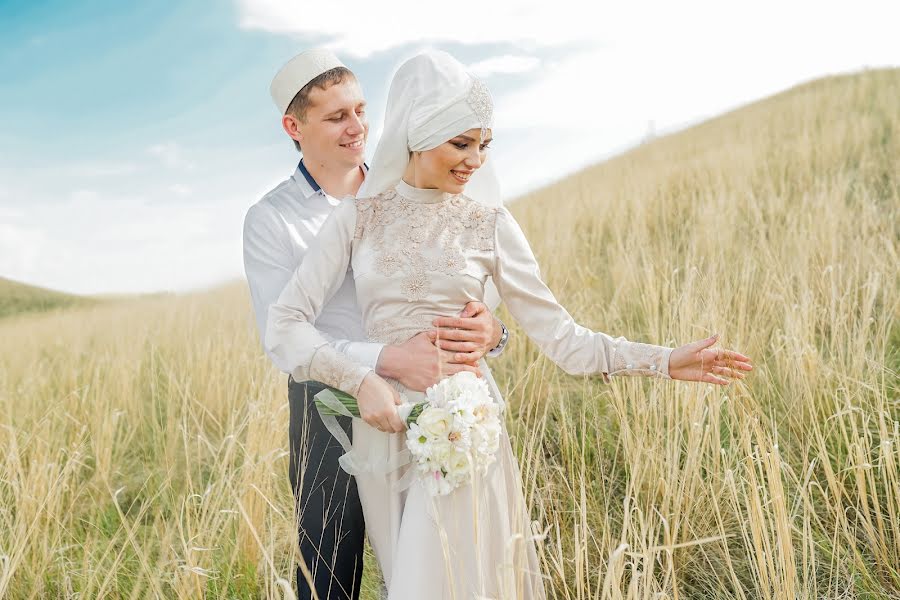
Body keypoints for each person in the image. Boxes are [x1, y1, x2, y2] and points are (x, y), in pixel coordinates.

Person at [265, 50, 753, 599]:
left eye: (483, 144)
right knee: (408, 573)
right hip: (383, 429)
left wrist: (664, 360)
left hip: (463, 425)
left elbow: (564, 339)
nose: (476, 160)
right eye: (460, 143)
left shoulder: (489, 223)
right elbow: (284, 324)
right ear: (419, 135)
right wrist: (362, 380)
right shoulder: (358, 218)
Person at [242, 48, 510, 600]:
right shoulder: (271, 220)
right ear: (293, 126)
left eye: (361, 110)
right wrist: (381, 364)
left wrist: (495, 333)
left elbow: (464, 288)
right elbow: (282, 339)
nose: (357, 127)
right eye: (336, 116)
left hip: (434, 404)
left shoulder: (401, 189)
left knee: (433, 566)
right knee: (328, 568)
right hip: (329, 405)